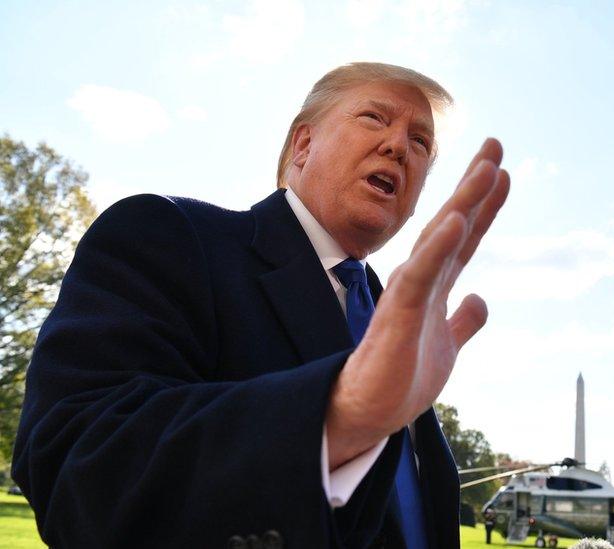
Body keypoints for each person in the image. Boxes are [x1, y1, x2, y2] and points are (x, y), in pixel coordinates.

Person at [12, 62, 510, 548]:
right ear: (304, 144)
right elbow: (80, 466)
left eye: (421, 142)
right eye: (375, 118)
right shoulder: (168, 234)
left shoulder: (398, 318)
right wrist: (340, 416)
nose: (398, 145)